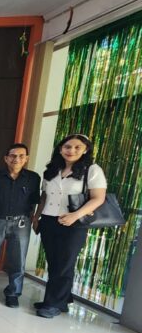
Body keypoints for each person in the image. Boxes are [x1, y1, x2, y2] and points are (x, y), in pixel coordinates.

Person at [32, 134, 107, 318]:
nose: (71, 150)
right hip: (49, 221)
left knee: (65, 263)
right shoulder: (52, 169)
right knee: (54, 262)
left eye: (77, 147)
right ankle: (61, 299)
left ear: (85, 150)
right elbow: (44, 196)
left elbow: (98, 198)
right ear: (60, 149)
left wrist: (76, 215)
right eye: (67, 147)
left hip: (73, 223)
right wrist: (37, 217)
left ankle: (53, 304)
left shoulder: (92, 170)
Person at [0, 143, 41, 307]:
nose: (16, 159)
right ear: (6, 158)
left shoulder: (33, 178)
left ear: (26, 159)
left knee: (18, 260)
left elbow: (35, 202)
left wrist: (34, 219)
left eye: (21, 156)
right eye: (13, 156)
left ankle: (13, 293)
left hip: (21, 223)